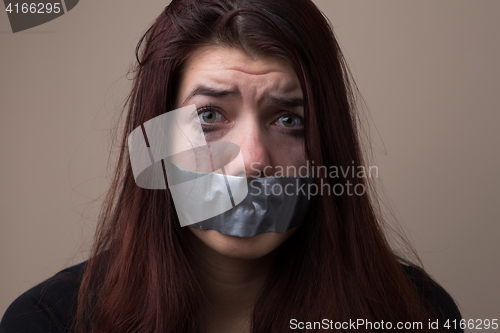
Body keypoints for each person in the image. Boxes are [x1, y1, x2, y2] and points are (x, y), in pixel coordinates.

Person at [0, 0, 462, 332]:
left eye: (288, 120)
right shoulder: (47, 321)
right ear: (157, 138)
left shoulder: (416, 316)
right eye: (209, 116)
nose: (253, 162)